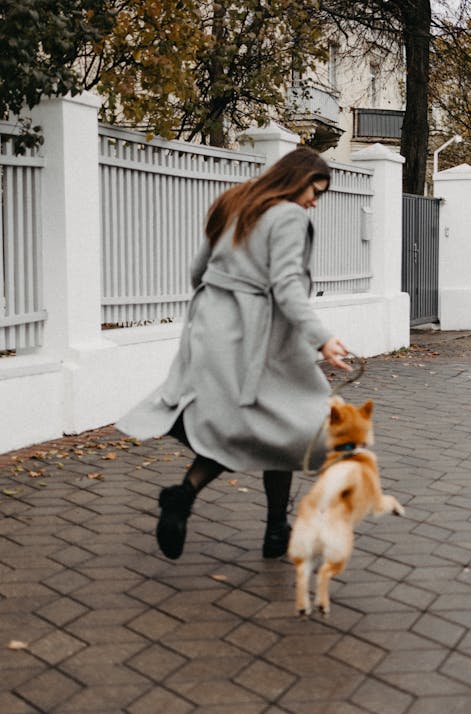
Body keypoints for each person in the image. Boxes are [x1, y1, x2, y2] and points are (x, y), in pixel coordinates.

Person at [116, 146, 350, 561]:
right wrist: (322, 338)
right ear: (295, 179)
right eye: (314, 191)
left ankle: (191, 501)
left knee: (261, 427)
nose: (315, 202)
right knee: (291, 423)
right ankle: (272, 527)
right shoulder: (288, 215)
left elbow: (197, 272)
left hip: (212, 332)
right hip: (261, 342)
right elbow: (287, 285)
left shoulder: (234, 201)